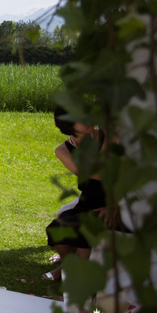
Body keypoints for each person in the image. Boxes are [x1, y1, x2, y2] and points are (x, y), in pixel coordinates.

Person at [43, 108, 109, 282]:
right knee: (55, 229)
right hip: (88, 200)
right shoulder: (63, 150)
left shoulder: (105, 136)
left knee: (83, 229)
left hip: (111, 198)